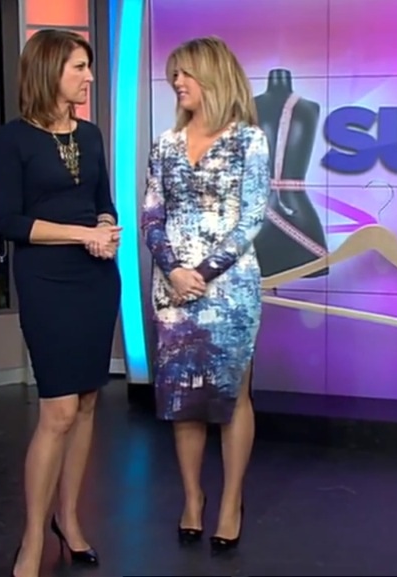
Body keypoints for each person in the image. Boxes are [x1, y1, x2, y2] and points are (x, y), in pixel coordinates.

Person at [0, 29, 121, 577]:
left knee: (87, 402)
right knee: (58, 409)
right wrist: (81, 234)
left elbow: (103, 202)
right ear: (50, 72)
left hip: (96, 279)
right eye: (79, 67)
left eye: (88, 66)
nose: (89, 76)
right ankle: (31, 539)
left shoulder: (89, 135)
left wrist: (107, 228)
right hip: (46, 279)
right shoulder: (14, 138)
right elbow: (10, 221)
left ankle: (68, 519)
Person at [141, 36, 271, 554]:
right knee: (183, 399)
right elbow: (152, 216)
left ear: (213, 76)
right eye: (174, 74)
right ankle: (192, 498)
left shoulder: (248, 141)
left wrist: (204, 270)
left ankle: (231, 502)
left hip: (230, 290)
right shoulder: (166, 144)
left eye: (186, 73)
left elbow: (252, 218)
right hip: (173, 290)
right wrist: (174, 271)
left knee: (232, 395)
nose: (177, 82)